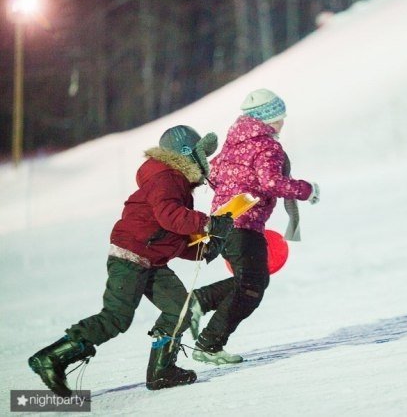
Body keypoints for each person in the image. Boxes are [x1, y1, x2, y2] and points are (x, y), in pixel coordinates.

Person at [28, 125, 234, 397]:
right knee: (116, 317)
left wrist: (206, 248)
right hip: (131, 257)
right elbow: (170, 216)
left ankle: (162, 371)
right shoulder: (166, 177)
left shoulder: (177, 183)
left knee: (180, 309)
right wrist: (209, 223)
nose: (205, 161)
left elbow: (171, 234)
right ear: (186, 155)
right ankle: (52, 358)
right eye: (200, 154)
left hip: (152, 260)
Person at [189, 89, 320, 365]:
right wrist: (306, 190)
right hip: (244, 225)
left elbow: (214, 176)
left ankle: (201, 303)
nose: (283, 122)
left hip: (222, 225)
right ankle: (209, 343)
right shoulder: (267, 146)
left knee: (250, 281)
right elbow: (271, 182)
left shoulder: (233, 143)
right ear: (269, 118)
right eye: (280, 116)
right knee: (252, 286)